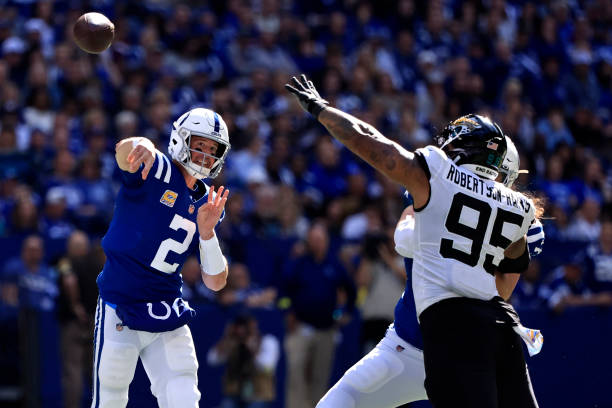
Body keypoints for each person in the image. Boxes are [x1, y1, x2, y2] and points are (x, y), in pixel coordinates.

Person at [286, 75, 539, 407]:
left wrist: (323, 111)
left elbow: (381, 151)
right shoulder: (523, 211)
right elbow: (501, 290)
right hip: (477, 334)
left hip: (440, 338)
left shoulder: (438, 177)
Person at [317, 138, 545, 408]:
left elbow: (404, 240)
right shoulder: (502, 209)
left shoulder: (450, 194)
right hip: (420, 345)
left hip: (455, 349)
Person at [92, 107, 231, 408]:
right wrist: (141, 143)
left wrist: (207, 234)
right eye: (200, 144)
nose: (206, 154)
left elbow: (217, 283)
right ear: (181, 140)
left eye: (213, 148)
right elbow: (123, 152)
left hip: (166, 307)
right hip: (122, 303)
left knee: (183, 396)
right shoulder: (158, 169)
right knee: (110, 398)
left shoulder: (208, 201)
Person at [207, 314, 280, 408]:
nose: (243, 331)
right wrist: (226, 339)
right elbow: (212, 360)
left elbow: (268, 368)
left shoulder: (268, 341)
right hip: (235, 394)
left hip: (259, 395)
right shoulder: (233, 342)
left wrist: (253, 348)